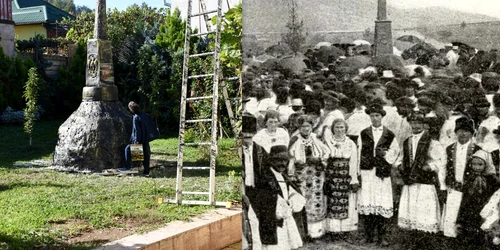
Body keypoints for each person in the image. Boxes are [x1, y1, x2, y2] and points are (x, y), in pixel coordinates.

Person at [397, 112, 446, 249]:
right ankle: (413, 241)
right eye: (413, 122)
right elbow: (400, 157)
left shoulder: (431, 141)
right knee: (411, 211)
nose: (415, 125)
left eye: (418, 122)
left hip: (424, 182)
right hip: (410, 181)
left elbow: (440, 161)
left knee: (424, 212)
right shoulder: (407, 141)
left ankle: (425, 242)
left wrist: (429, 166)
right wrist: (400, 164)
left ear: (423, 124)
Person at [357, 101, 400, 247]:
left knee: (381, 203)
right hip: (368, 173)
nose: (375, 118)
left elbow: (395, 151)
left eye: (377, 116)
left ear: (382, 117)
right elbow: (358, 152)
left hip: (381, 174)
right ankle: (368, 236)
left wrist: (385, 154)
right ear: (369, 117)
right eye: (372, 116)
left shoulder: (389, 134)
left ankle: (382, 236)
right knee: (368, 202)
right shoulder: (363, 133)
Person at [252, 145, 306, 250]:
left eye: (285, 161)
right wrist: (281, 208)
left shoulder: (283, 175)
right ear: (271, 161)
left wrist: (292, 202)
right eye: (278, 160)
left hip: (285, 219)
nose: (282, 164)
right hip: (273, 221)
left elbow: (294, 193)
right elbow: (265, 201)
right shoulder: (266, 178)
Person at [288, 115, 330, 241]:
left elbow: (326, 152)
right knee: (304, 202)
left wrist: (320, 160)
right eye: (303, 126)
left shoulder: (316, 139)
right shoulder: (295, 139)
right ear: (299, 127)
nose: (306, 129)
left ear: (312, 127)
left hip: (316, 176)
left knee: (317, 202)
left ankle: (317, 232)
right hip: (302, 176)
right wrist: (295, 167)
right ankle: (304, 232)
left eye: (308, 126)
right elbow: (290, 157)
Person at [441, 117, 482, 238]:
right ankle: (450, 239)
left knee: (468, 216)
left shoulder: (478, 149)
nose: (463, 134)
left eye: (467, 131)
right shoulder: (449, 149)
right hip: (454, 187)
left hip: (470, 190)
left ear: (472, 133)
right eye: (460, 131)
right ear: (455, 132)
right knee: (451, 215)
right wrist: (443, 186)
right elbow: (443, 168)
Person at [323, 118, 359, 239]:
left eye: (342, 127)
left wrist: (353, 178)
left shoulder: (350, 143)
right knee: (332, 201)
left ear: (346, 129)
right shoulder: (327, 142)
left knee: (345, 202)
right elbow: (324, 159)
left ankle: (345, 229)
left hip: (345, 176)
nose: (339, 130)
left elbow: (354, 161)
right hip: (332, 176)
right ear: (333, 129)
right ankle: (332, 230)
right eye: (337, 127)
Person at [456, 150, 499, 247]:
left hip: (485, 207)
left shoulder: (492, 179)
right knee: (469, 226)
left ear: (486, 165)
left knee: (484, 227)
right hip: (471, 207)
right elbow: (466, 196)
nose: (476, 167)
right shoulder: (470, 177)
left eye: (480, 164)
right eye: (473, 164)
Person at [123, 101, 153, 176]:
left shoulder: (136, 117)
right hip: (145, 138)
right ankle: (146, 171)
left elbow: (137, 130)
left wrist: (136, 140)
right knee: (146, 154)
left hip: (139, 139)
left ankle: (128, 167)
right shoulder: (145, 115)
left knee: (128, 149)